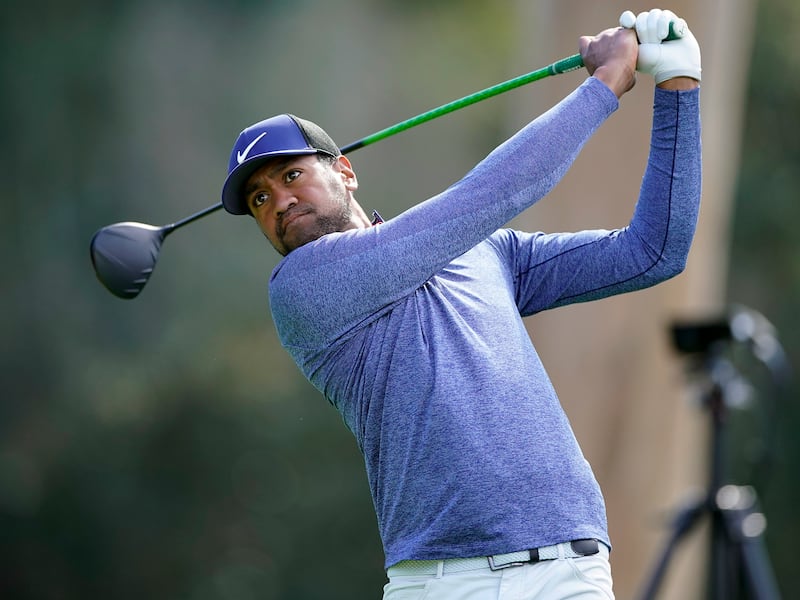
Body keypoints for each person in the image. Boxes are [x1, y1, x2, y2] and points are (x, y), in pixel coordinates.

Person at [220, 8, 701, 599]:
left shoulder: (485, 253)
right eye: (261, 199)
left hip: (568, 571)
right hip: (445, 583)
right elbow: (490, 195)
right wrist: (602, 87)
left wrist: (679, 86)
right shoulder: (301, 288)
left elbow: (651, 252)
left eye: (292, 175)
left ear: (344, 170)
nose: (279, 203)